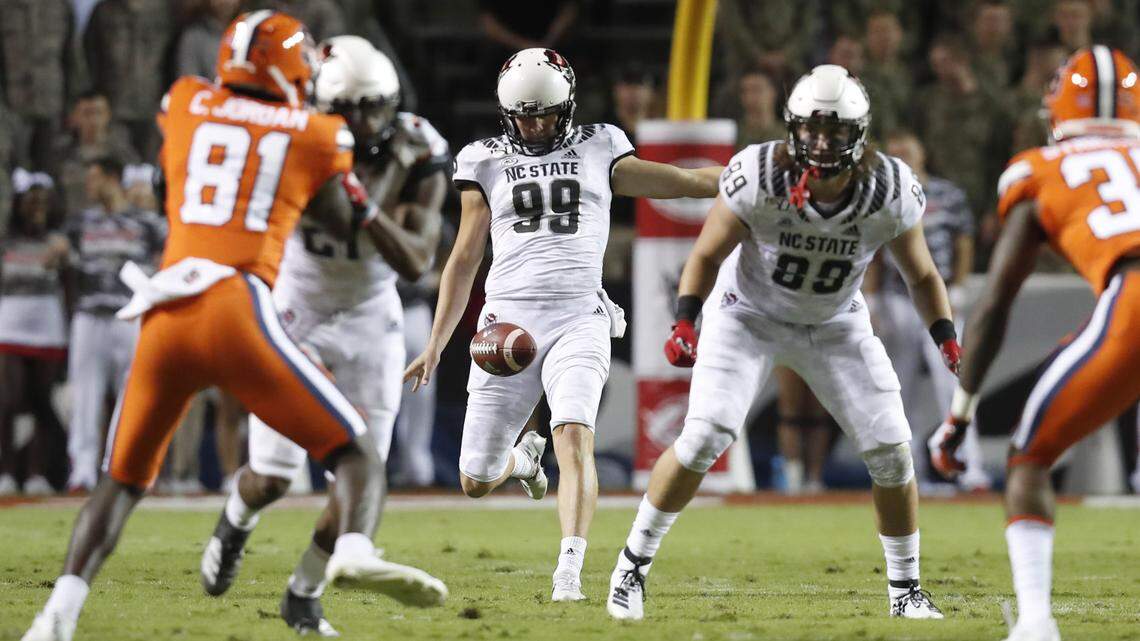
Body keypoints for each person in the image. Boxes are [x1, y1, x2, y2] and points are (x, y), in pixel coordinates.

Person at [21, 12, 447, 641]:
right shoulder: (315, 133)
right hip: (257, 307)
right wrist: (360, 184)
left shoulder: (186, 100)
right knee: (347, 458)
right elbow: (344, 217)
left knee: (120, 480)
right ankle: (343, 545)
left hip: (168, 307)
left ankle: (56, 619)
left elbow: (190, 154)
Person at [605, 65, 953, 622]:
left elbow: (922, 276)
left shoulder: (889, 190)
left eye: (835, 132)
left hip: (836, 320)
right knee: (705, 435)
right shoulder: (759, 173)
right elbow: (706, 254)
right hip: (748, 314)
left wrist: (945, 335)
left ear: (859, 134)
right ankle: (630, 567)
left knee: (891, 448)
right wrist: (686, 320)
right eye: (812, 129)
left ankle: (906, 589)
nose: (821, 142)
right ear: (792, 126)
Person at [403, 47, 721, 603]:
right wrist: (435, 345)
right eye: (523, 114)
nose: (534, 124)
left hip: (580, 314)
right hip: (507, 322)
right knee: (475, 480)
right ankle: (522, 460)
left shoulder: (599, 145)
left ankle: (569, 574)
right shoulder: (483, 158)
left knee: (574, 434)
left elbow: (676, 180)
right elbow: (463, 257)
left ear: (567, 105)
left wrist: (736, 179)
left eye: (544, 113)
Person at [200, 35, 449, 635]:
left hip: (371, 314)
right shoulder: (295, 142)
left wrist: (369, 199)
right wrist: (368, 193)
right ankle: (237, 515)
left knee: (363, 471)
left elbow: (416, 259)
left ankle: (304, 594)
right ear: (322, 104)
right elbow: (334, 217)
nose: (364, 121)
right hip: (297, 310)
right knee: (276, 476)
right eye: (349, 108)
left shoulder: (419, 146)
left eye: (374, 105)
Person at [929, 45, 1140, 641]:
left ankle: (1037, 623)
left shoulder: (1041, 168)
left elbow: (995, 304)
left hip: (1135, 298)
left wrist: (959, 416)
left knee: (1029, 460)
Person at [866, 130, 988, 492]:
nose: (902, 157)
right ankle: (908, 472)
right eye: (895, 152)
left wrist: (960, 283)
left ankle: (971, 467)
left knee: (954, 385)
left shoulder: (947, 195)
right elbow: (872, 251)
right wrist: (872, 299)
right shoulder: (880, 191)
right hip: (896, 298)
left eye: (908, 151)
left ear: (923, 154)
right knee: (896, 389)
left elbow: (962, 240)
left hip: (940, 299)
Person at [63, 157, 166, 492]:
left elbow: (167, 257)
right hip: (89, 314)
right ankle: (82, 469)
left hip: (130, 314)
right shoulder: (80, 223)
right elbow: (65, 257)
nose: (89, 186)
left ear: (112, 178)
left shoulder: (145, 222)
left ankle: (119, 466)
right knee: (85, 394)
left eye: (93, 178)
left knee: (131, 394)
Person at [0, 171, 70, 496]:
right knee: (8, 400)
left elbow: (74, 280)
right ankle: (6, 471)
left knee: (42, 400)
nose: (36, 206)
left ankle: (36, 473)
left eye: (42, 201)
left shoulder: (58, 239)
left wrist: (64, 256)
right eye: (31, 200)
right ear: (18, 203)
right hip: (11, 320)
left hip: (46, 322)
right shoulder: (6, 238)